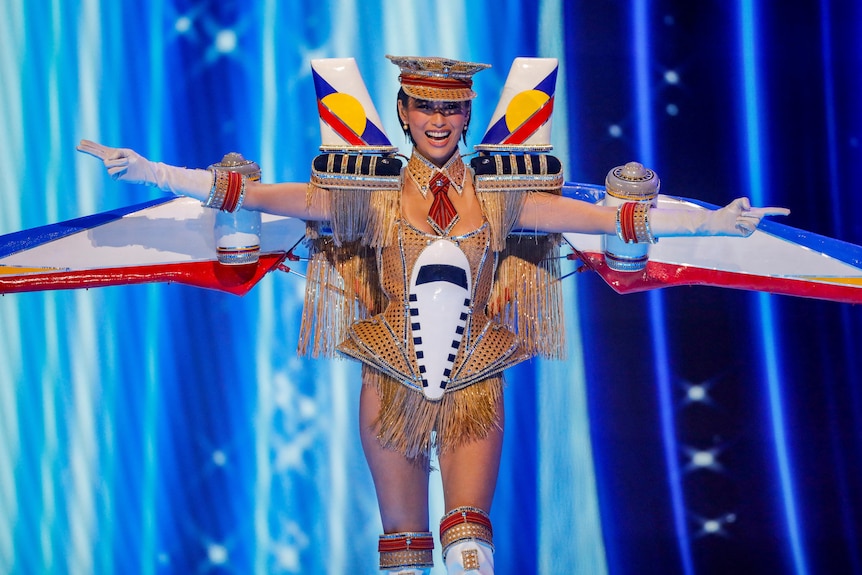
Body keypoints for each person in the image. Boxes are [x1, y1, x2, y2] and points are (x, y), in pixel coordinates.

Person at [77, 55, 788, 575]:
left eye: (452, 110)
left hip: (476, 380)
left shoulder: (503, 195)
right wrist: (154, 172)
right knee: (404, 553)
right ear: (404, 113)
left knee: (471, 544)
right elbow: (267, 198)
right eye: (426, 108)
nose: (440, 121)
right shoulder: (365, 192)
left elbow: (611, 215)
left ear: (467, 117)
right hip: (388, 381)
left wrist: (715, 227)